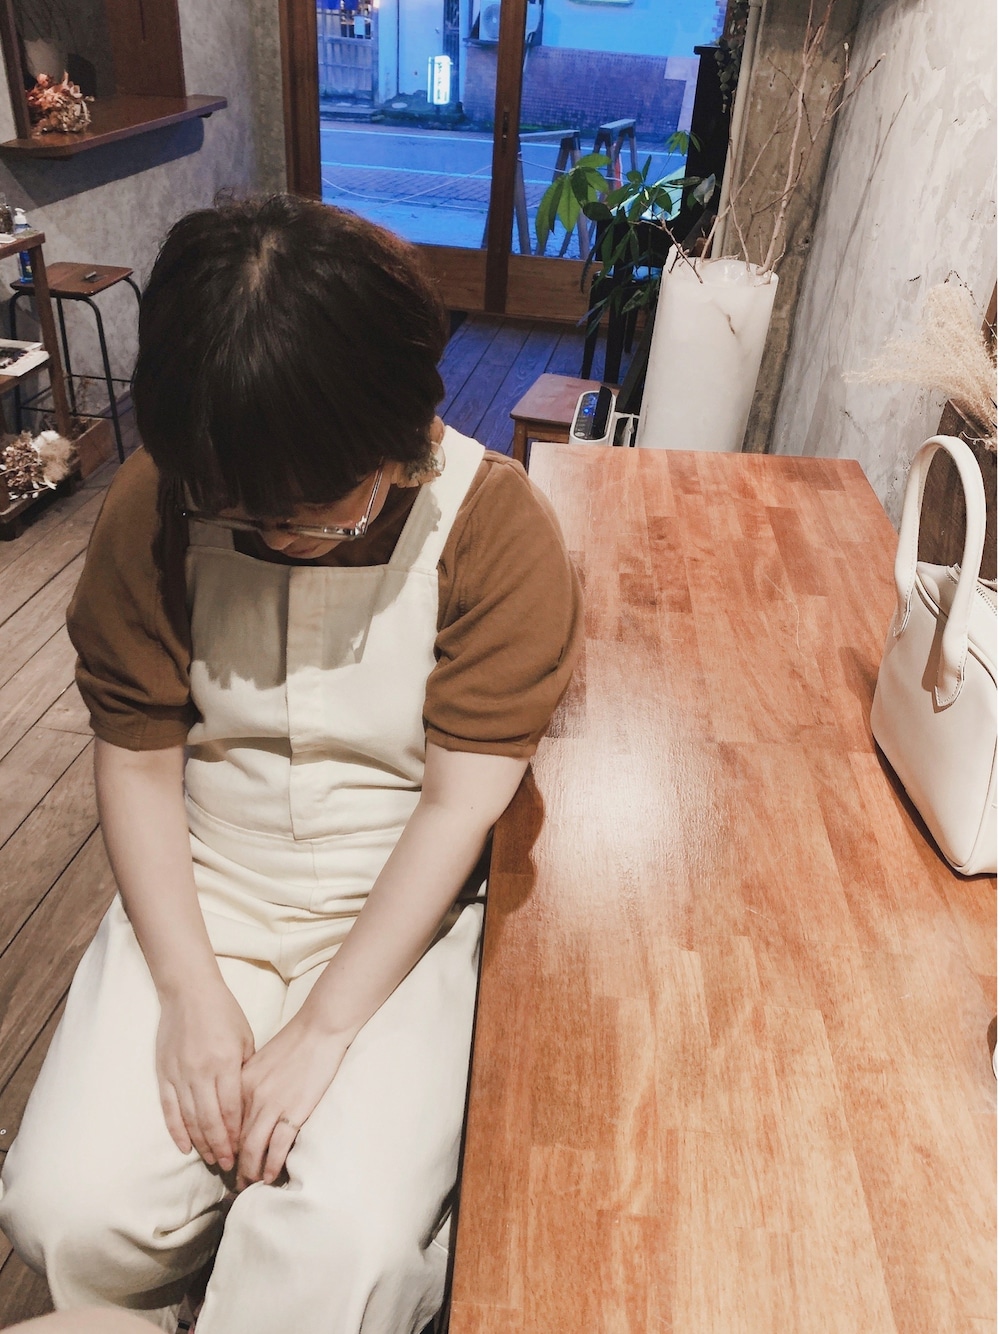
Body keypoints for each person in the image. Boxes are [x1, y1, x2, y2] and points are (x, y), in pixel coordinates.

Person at [0, 196, 581, 1334]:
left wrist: (322, 1030)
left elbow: (458, 807)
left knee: (339, 1244)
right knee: (67, 1210)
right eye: (239, 511)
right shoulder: (160, 498)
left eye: (310, 512)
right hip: (210, 878)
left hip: (405, 901)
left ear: (401, 430)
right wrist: (188, 988)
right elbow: (138, 760)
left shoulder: (491, 526)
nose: (273, 537)